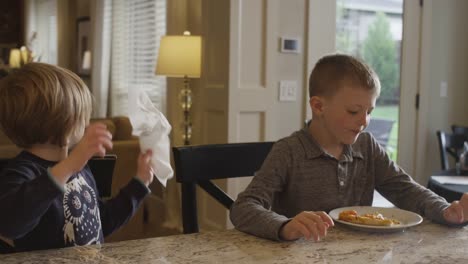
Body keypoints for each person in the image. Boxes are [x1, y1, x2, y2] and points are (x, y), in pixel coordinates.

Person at [230, 54, 468, 242]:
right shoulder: (290, 151)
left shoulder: (367, 146)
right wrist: (283, 226)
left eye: (369, 112)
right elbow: (243, 208)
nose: (364, 121)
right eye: (354, 111)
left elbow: (405, 190)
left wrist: (445, 210)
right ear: (318, 106)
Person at [0, 63, 155, 252]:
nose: (88, 121)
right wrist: (69, 166)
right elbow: (10, 225)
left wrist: (139, 184)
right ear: (61, 121)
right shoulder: (22, 172)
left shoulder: (81, 168)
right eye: (82, 115)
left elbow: (102, 222)